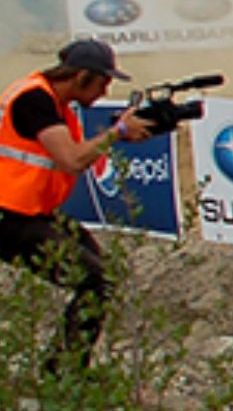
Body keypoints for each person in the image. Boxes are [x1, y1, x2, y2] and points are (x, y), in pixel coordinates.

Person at [0, 38, 154, 370]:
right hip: (10, 217)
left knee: (105, 276)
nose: (105, 90)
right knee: (93, 280)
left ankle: (64, 369)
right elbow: (71, 159)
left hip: (30, 212)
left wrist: (122, 129)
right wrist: (118, 132)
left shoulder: (50, 101)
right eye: (103, 81)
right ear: (82, 76)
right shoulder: (35, 100)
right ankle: (63, 374)